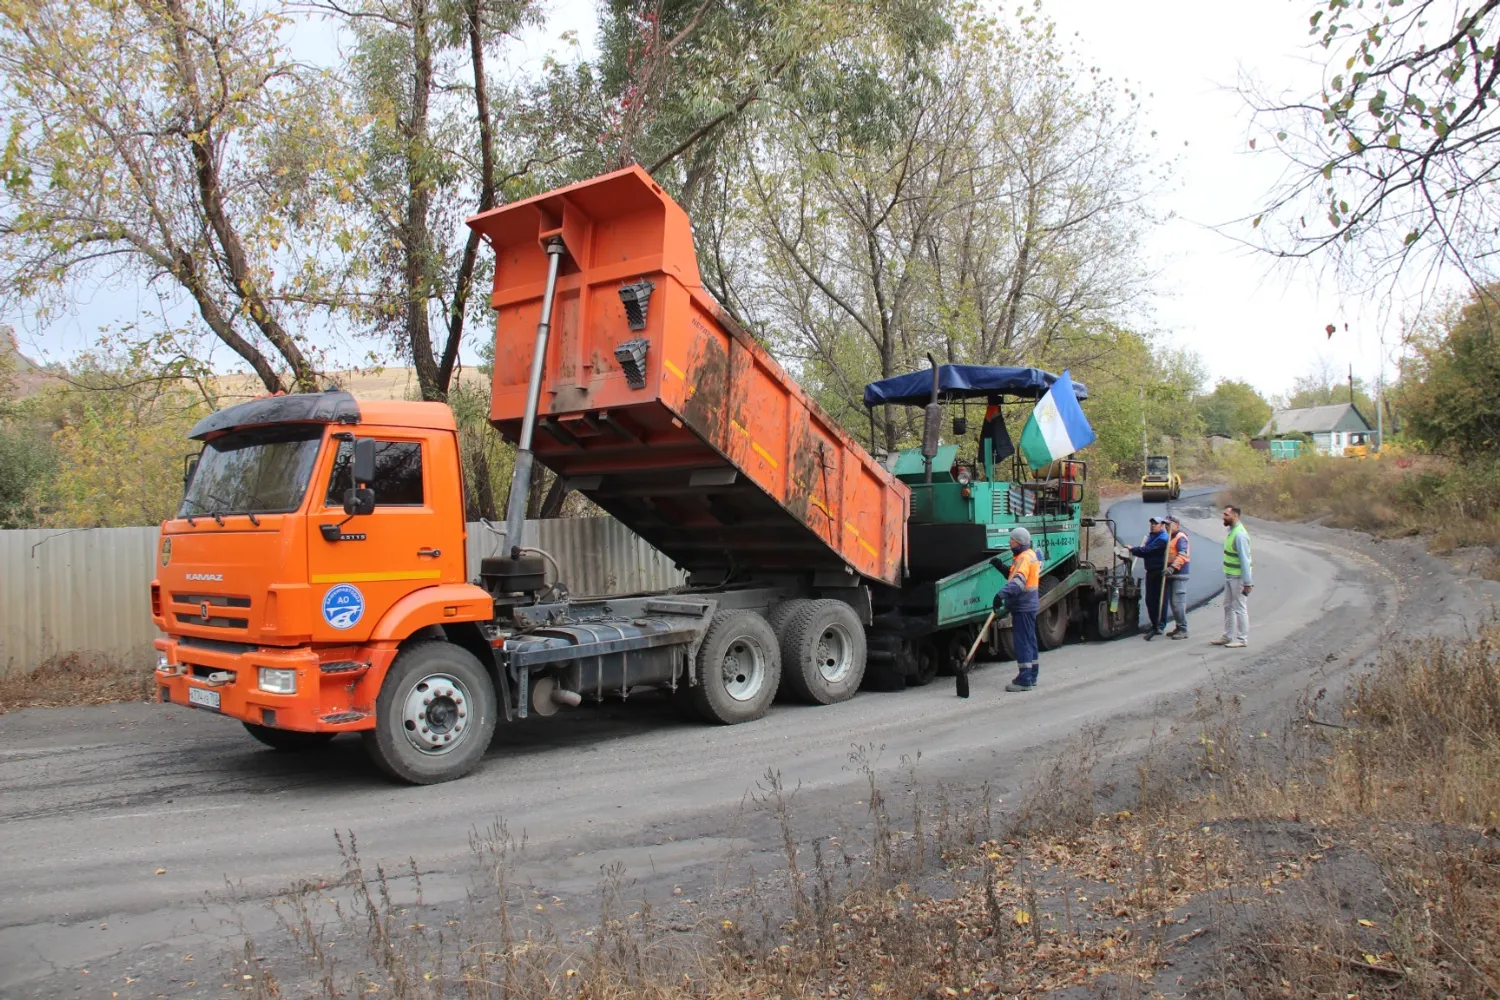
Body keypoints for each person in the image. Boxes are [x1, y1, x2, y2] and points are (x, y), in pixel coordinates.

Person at [991, 526, 1041, 691]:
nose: (1009, 543)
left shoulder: (1024, 558)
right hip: (1028, 605)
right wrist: (1000, 567)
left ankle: (1025, 679)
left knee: (1022, 642)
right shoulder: (1026, 555)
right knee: (1030, 640)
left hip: (1023, 606)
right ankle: (1032, 675)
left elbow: (1018, 582)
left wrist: (1000, 595)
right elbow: (1014, 575)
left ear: (1018, 542)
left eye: (1011, 540)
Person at [1211, 505, 1252, 648]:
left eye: (1226, 515)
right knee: (1227, 606)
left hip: (1238, 577)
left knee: (1239, 607)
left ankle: (1242, 639)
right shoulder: (1231, 531)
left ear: (1235, 516)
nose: (1223, 517)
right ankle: (1227, 636)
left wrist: (1248, 582)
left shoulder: (1240, 535)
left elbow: (1245, 560)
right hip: (1229, 575)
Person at [1130, 516, 1169, 639]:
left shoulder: (1162, 539)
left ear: (1161, 525)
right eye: (1152, 523)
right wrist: (1137, 550)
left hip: (1159, 572)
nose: (1153, 525)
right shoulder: (1151, 536)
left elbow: (1147, 550)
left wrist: (1133, 550)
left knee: (1158, 600)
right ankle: (1154, 624)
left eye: (1156, 524)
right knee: (1149, 600)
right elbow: (1145, 550)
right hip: (1151, 571)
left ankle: (1159, 625)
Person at [1163, 514, 1190, 639]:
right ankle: (1179, 627)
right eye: (1166, 524)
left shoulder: (1181, 537)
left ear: (1177, 525)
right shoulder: (1171, 538)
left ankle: (1183, 629)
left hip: (1179, 574)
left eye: (1169, 524)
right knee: (1173, 603)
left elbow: (1182, 555)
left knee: (1177, 602)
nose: (1166, 527)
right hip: (1171, 574)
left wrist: (1172, 568)